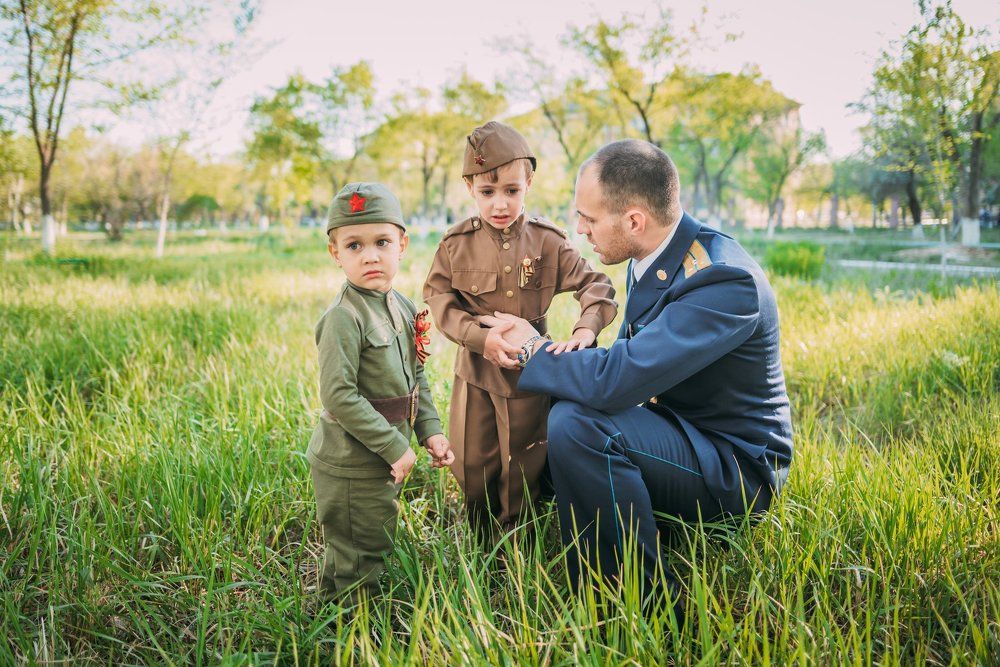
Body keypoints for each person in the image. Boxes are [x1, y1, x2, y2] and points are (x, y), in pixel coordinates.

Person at [483, 139, 793, 616]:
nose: (579, 229)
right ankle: (535, 518)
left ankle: (634, 603)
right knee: (565, 396)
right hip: (685, 432)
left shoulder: (724, 280)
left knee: (578, 423)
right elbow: (633, 361)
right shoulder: (654, 253)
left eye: (588, 218)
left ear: (633, 220)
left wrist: (532, 349)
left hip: (734, 469)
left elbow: (617, 381)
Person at [423, 121, 618, 542]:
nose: (500, 204)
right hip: (475, 372)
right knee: (473, 462)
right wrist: (478, 338)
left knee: (524, 462)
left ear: (529, 182)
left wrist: (586, 329)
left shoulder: (548, 242)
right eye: (487, 193)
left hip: (532, 374)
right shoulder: (456, 244)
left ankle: (519, 542)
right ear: (470, 188)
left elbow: (596, 285)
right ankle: (479, 537)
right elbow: (439, 297)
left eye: (512, 191)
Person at [307, 182, 454, 602]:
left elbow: (415, 378)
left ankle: (332, 608)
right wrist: (393, 445)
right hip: (352, 460)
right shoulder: (343, 317)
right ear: (336, 253)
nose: (370, 255)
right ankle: (356, 630)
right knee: (359, 547)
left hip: (381, 456)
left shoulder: (402, 306)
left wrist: (430, 431)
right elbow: (339, 396)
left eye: (382, 242)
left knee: (369, 534)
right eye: (354, 245)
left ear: (402, 245)